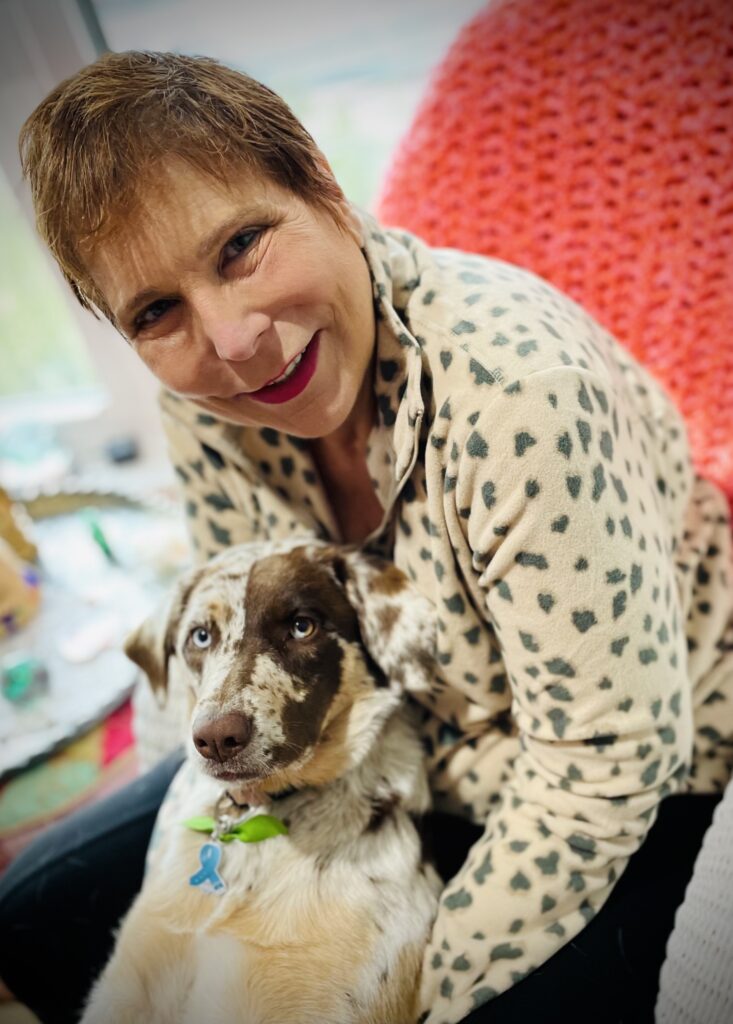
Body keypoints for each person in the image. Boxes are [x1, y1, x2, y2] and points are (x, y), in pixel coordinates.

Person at [2, 49, 732, 1024]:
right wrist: (189, 887)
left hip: (625, 777)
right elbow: (228, 666)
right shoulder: (207, 403)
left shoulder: (520, 391)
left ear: (327, 191)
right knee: (36, 911)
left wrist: (417, 991)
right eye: (157, 311)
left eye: (239, 246)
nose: (231, 341)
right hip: (388, 750)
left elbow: (609, 761)